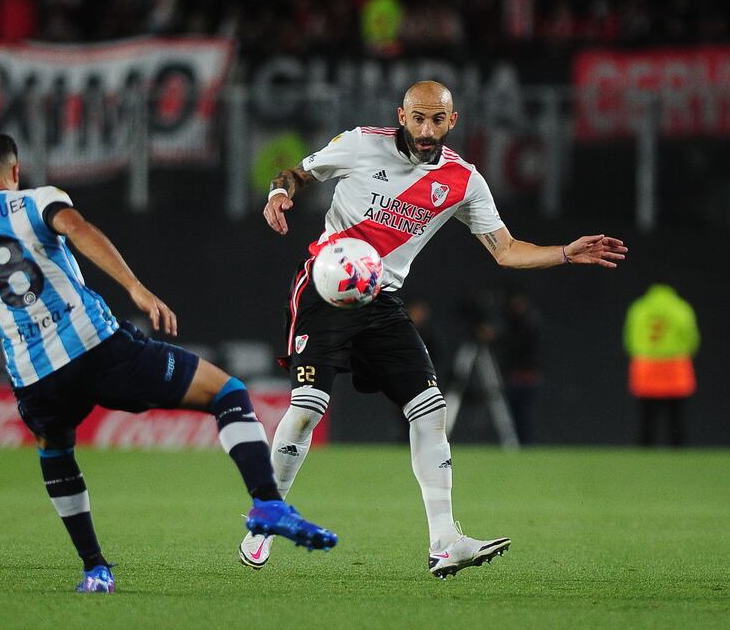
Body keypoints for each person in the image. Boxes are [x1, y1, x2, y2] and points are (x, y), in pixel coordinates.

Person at [0, 131, 337, 594]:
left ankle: (95, 570)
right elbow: (79, 229)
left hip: (34, 378)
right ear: (16, 170)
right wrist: (135, 287)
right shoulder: (36, 200)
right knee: (227, 393)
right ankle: (268, 504)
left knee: (56, 451)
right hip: (96, 347)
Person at [241, 81, 628, 579]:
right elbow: (296, 172)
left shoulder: (463, 181)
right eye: (417, 118)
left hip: (382, 300)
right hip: (326, 287)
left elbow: (505, 250)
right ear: (401, 114)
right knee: (307, 409)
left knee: (430, 410)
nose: (426, 130)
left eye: (436, 120)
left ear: (453, 121)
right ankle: (265, 517)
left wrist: (564, 253)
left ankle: (445, 540)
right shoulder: (361, 143)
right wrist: (278, 192)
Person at [623, 283, 699, 446]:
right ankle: (678, 456)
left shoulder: (639, 308)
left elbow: (629, 337)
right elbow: (691, 337)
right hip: (675, 365)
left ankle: (643, 455)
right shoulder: (680, 307)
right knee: (676, 417)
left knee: (646, 417)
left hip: (646, 365)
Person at [501, 289, 543, 444]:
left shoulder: (528, 322)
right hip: (516, 376)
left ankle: (524, 444)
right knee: (515, 414)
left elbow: (517, 345)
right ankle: (519, 444)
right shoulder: (517, 321)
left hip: (526, 376)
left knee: (523, 415)